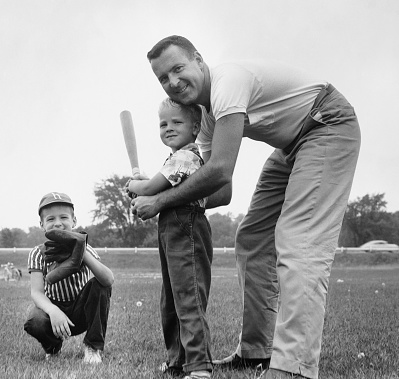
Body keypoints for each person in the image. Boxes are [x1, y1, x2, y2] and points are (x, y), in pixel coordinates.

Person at [131, 35, 361, 379]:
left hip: (326, 123)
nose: (173, 82)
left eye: (178, 69)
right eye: (163, 78)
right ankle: (256, 352)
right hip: (290, 145)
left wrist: (159, 199)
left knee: (299, 242)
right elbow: (221, 191)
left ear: (198, 59)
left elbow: (220, 168)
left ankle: (293, 368)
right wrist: (171, 202)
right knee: (253, 239)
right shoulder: (207, 118)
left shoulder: (228, 83)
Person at [128, 98, 213, 379]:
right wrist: (143, 184)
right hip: (171, 229)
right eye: (163, 123)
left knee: (188, 297)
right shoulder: (175, 158)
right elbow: (155, 184)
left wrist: (135, 185)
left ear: (195, 127)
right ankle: (178, 360)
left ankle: (199, 366)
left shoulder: (188, 156)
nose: (168, 128)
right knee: (172, 300)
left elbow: (153, 186)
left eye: (177, 122)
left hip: (186, 226)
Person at [24, 192, 114, 364]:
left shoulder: (87, 249)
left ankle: (93, 347)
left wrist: (81, 251)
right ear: (42, 224)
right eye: (50, 219)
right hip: (54, 312)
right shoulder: (37, 253)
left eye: (63, 217)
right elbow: (36, 293)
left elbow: (108, 280)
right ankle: (53, 347)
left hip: (81, 312)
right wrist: (53, 311)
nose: (58, 223)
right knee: (34, 319)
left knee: (100, 284)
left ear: (74, 221)